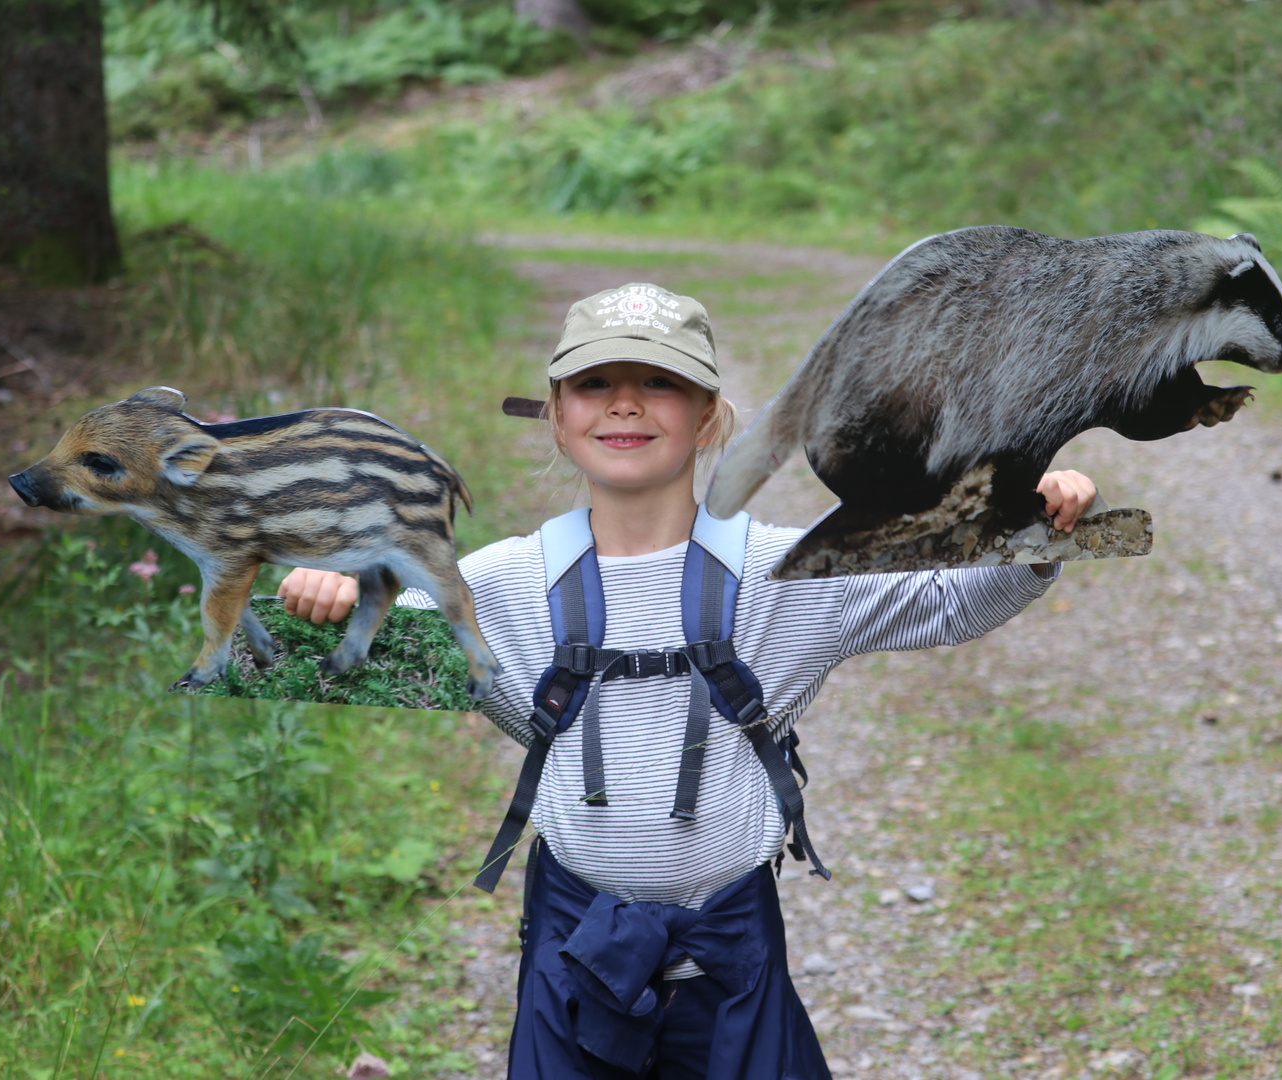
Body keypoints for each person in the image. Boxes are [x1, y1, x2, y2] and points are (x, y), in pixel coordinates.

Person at [278, 283, 1097, 1079]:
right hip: (576, 942)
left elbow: (946, 604)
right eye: (594, 384)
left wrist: (1037, 529)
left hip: (730, 946)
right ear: (558, 417)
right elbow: (381, 620)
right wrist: (335, 592)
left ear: (708, 417)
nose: (624, 405)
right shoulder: (504, 580)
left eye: (659, 383)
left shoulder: (785, 571)